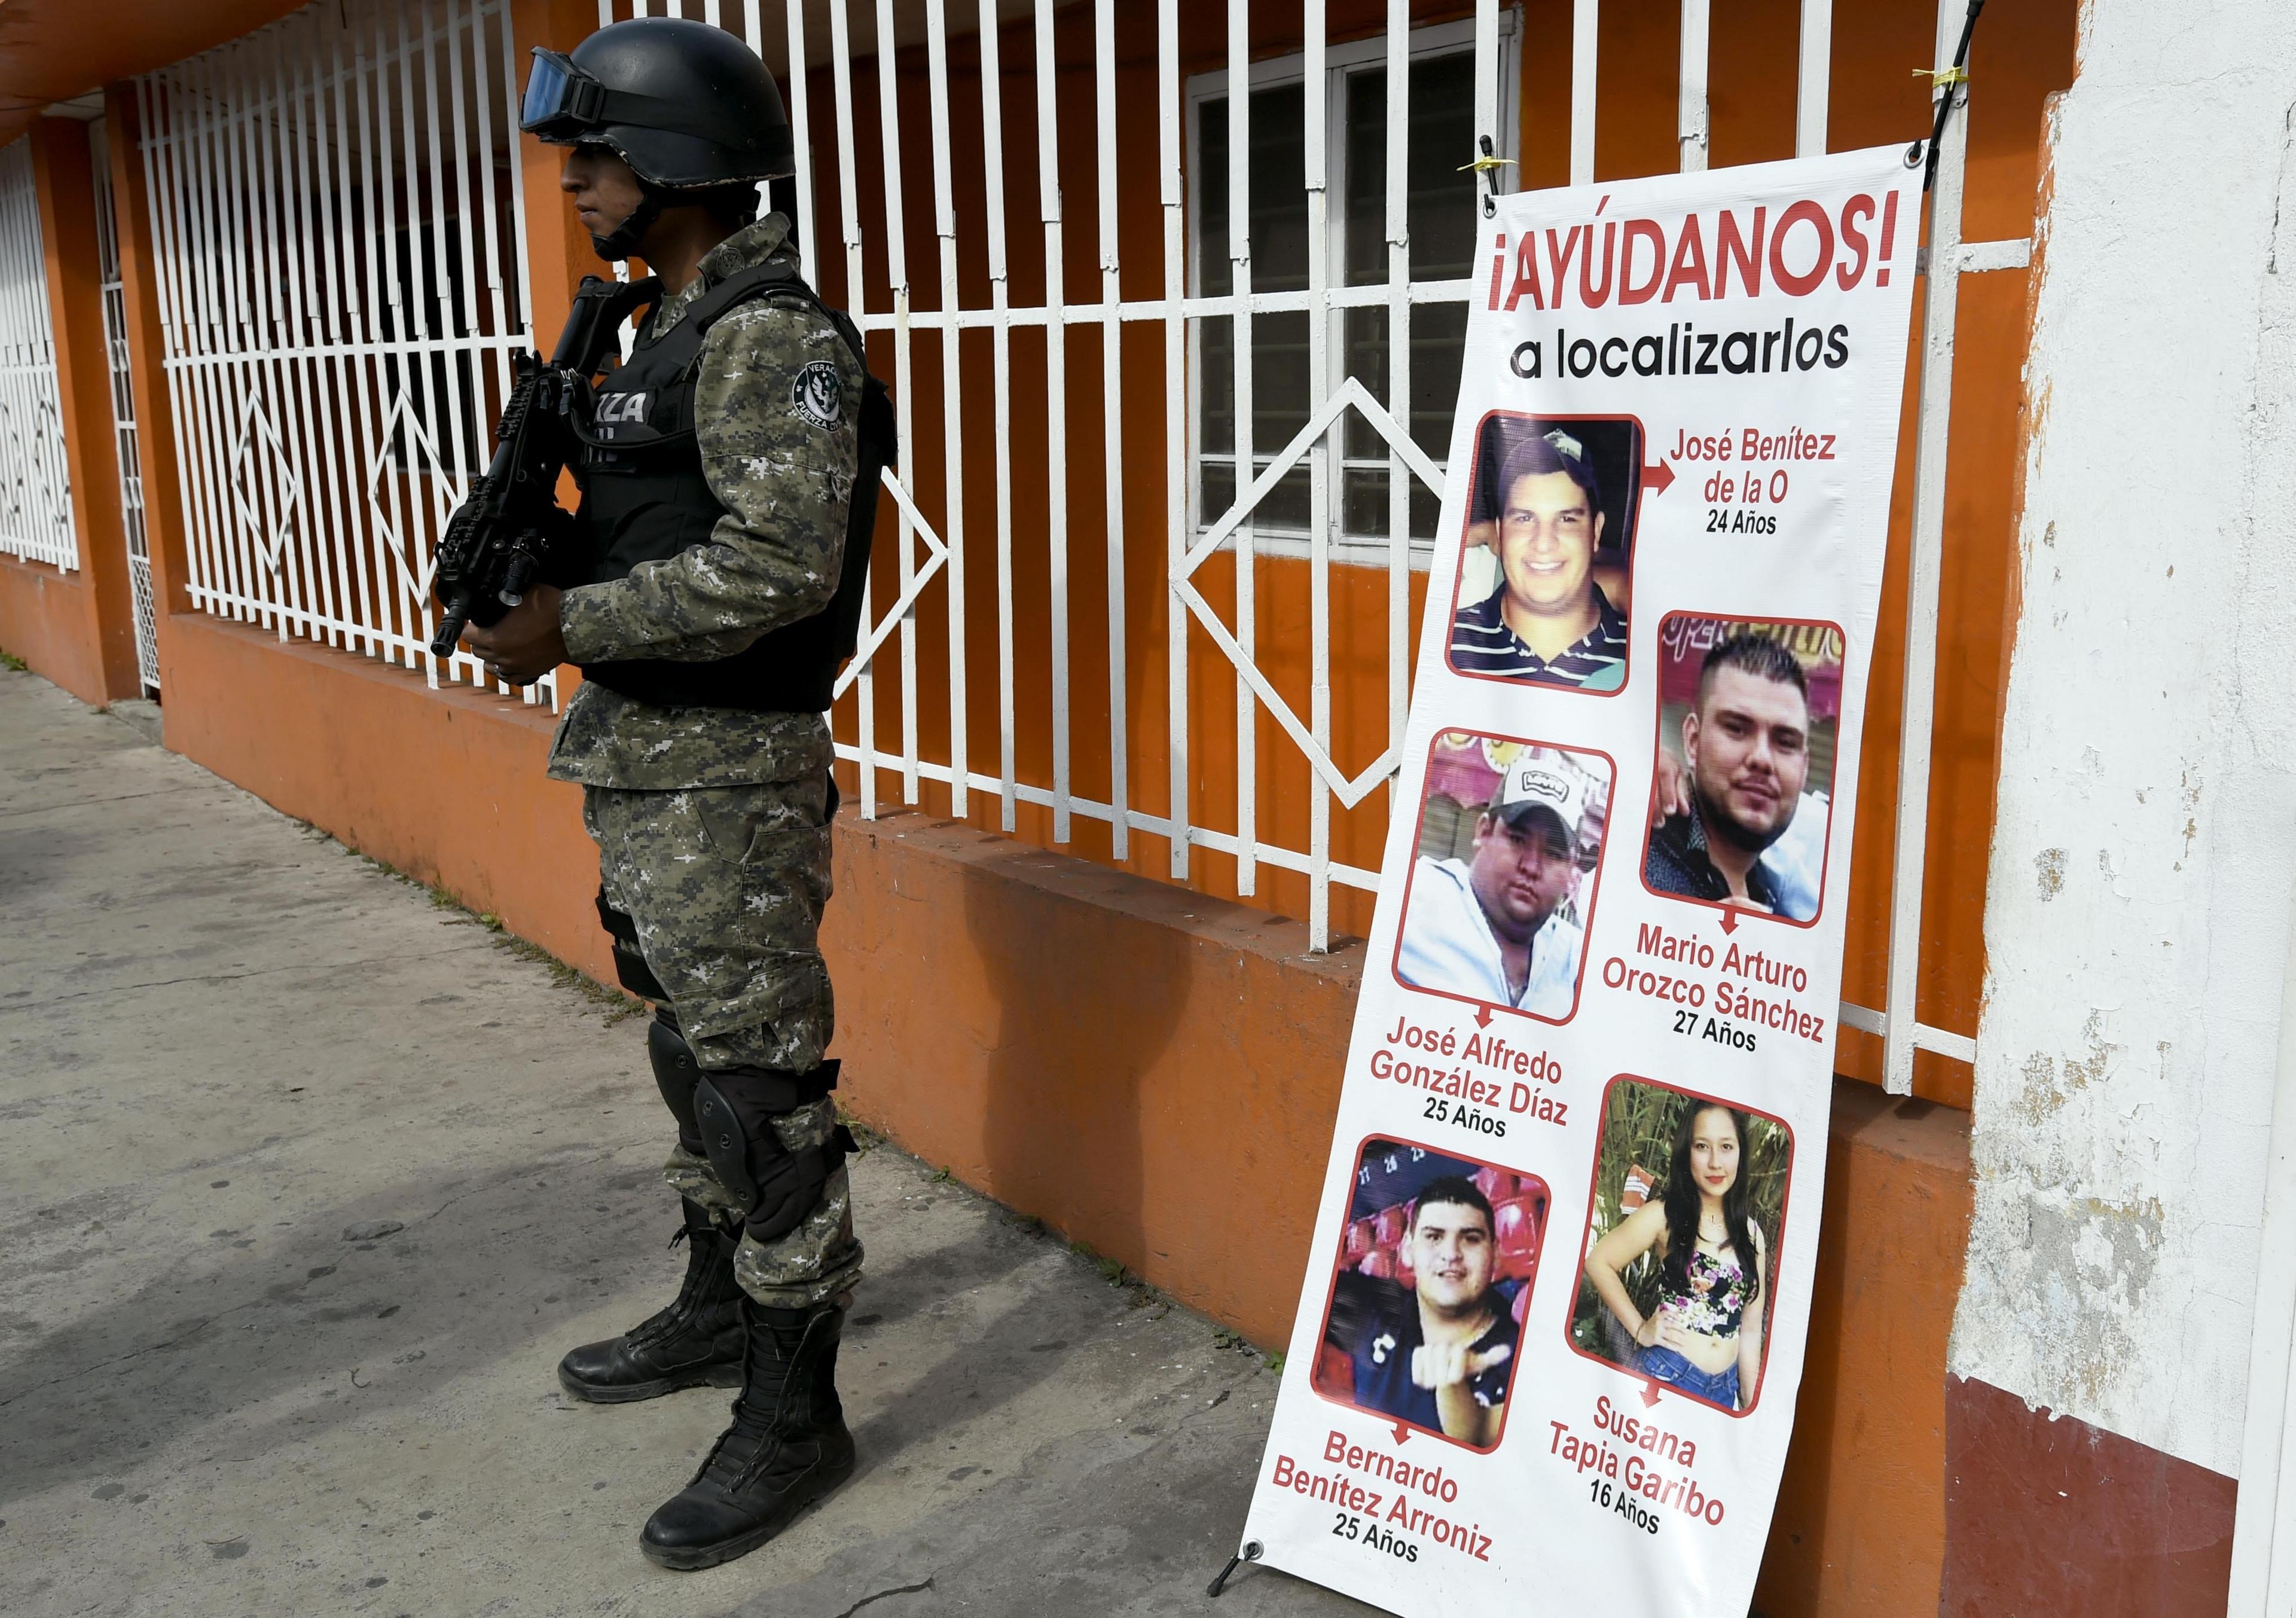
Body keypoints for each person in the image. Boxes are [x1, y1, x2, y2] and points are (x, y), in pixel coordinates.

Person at [459, 17, 879, 1571]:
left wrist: (575, 623)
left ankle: (797, 1405)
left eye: (599, 151)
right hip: (648, 766)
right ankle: (719, 1306)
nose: (573, 178)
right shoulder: (666, 330)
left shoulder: (774, 337)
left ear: (680, 164)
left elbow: (782, 564)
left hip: (729, 777)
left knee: (763, 1093)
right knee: (686, 1047)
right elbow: (660, 534)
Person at [1582, 1103, 1767, 1411]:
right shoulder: (1663, 1215)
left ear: (1740, 1153)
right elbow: (1599, 1261)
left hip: (1724, 1391)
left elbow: (1749, 1332)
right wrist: (1641, 1329)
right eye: (1702, 1147)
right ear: (1687, 1152)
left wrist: (1749, 1408)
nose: (1715, 1162)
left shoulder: (1751, 1234)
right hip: (1667, 1377)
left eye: (1726, 1147)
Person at [1643, 629, 1817, 920]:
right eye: (1737, 728)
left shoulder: (1778, 900)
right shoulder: (1637, 847)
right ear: (1693, 741)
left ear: (1804, 768)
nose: (1762, 758)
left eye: (1785, 742)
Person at [1397, 758, 1589, 1018]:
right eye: (1517, 840)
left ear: (1570, 869)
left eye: (1553, 853)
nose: (1531, 867)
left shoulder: (1574, 957)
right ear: (1484, 831)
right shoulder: (1416, 894)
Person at [1449, 428, 1628, 690]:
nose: (1544, 543)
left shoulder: (1641, 653)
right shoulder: (1448, 640)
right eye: (1524, 518)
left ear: (1596, 532)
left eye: (1567, 519)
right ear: (1500, 532)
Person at [1349, 1178, 1519, 1446]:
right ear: (1407, 1250)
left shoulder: (1521, 1357)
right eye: (1434, 1237)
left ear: (1496, 1253)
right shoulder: (1374, 1305)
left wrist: (1455, 1392)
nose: (1451, 1254)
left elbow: (1488, 1439)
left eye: (1471, 1239)